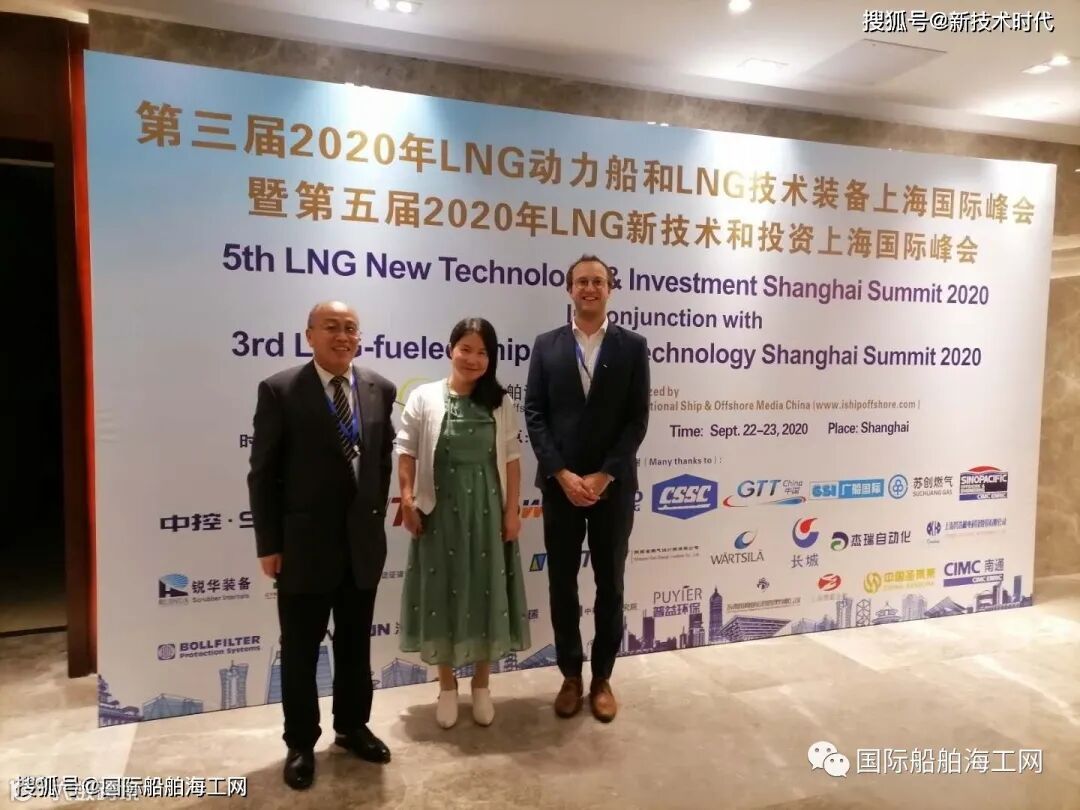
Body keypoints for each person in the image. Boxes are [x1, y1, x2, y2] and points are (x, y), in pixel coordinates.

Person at [247, 301, 396, 790]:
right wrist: (269, 543)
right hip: (303, 548)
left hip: (361, 547)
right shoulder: (281, 390)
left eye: (351, 328)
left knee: (355, 646)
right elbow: (263, 474)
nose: (342, 335)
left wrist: (374, 519)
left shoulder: (379, 388)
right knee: (300, 652)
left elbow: (379, 463)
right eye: (331, 327)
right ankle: (300, 743)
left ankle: (352, 727)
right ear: (309, 334)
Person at [524, 255, 650, 723]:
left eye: (598, 281)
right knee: (561, 584)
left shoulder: (632, 346)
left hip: (611, 489)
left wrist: (604, 475)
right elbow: (534, 413)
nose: (590, 288)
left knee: (609, 584)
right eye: (582, 281)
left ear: (610, 289)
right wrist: (561, 473)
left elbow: (637, 419)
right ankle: (570, 677)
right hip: (560, 488)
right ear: (569, 289)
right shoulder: (547, 345)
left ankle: (601, 679)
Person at [395, 317, 530, 729]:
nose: (473, 359)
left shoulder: (500, 402)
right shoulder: (424, 397)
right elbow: (406, 451)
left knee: (486, 590)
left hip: (487, 510)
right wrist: (407, 498)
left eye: (482, 352)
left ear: (491, 358)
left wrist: (512, 511)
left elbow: (511, 459)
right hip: (440, 512)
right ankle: (447, 687)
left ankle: (482, 686)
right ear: (450, 349)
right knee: (442, 592)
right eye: (466, 349)